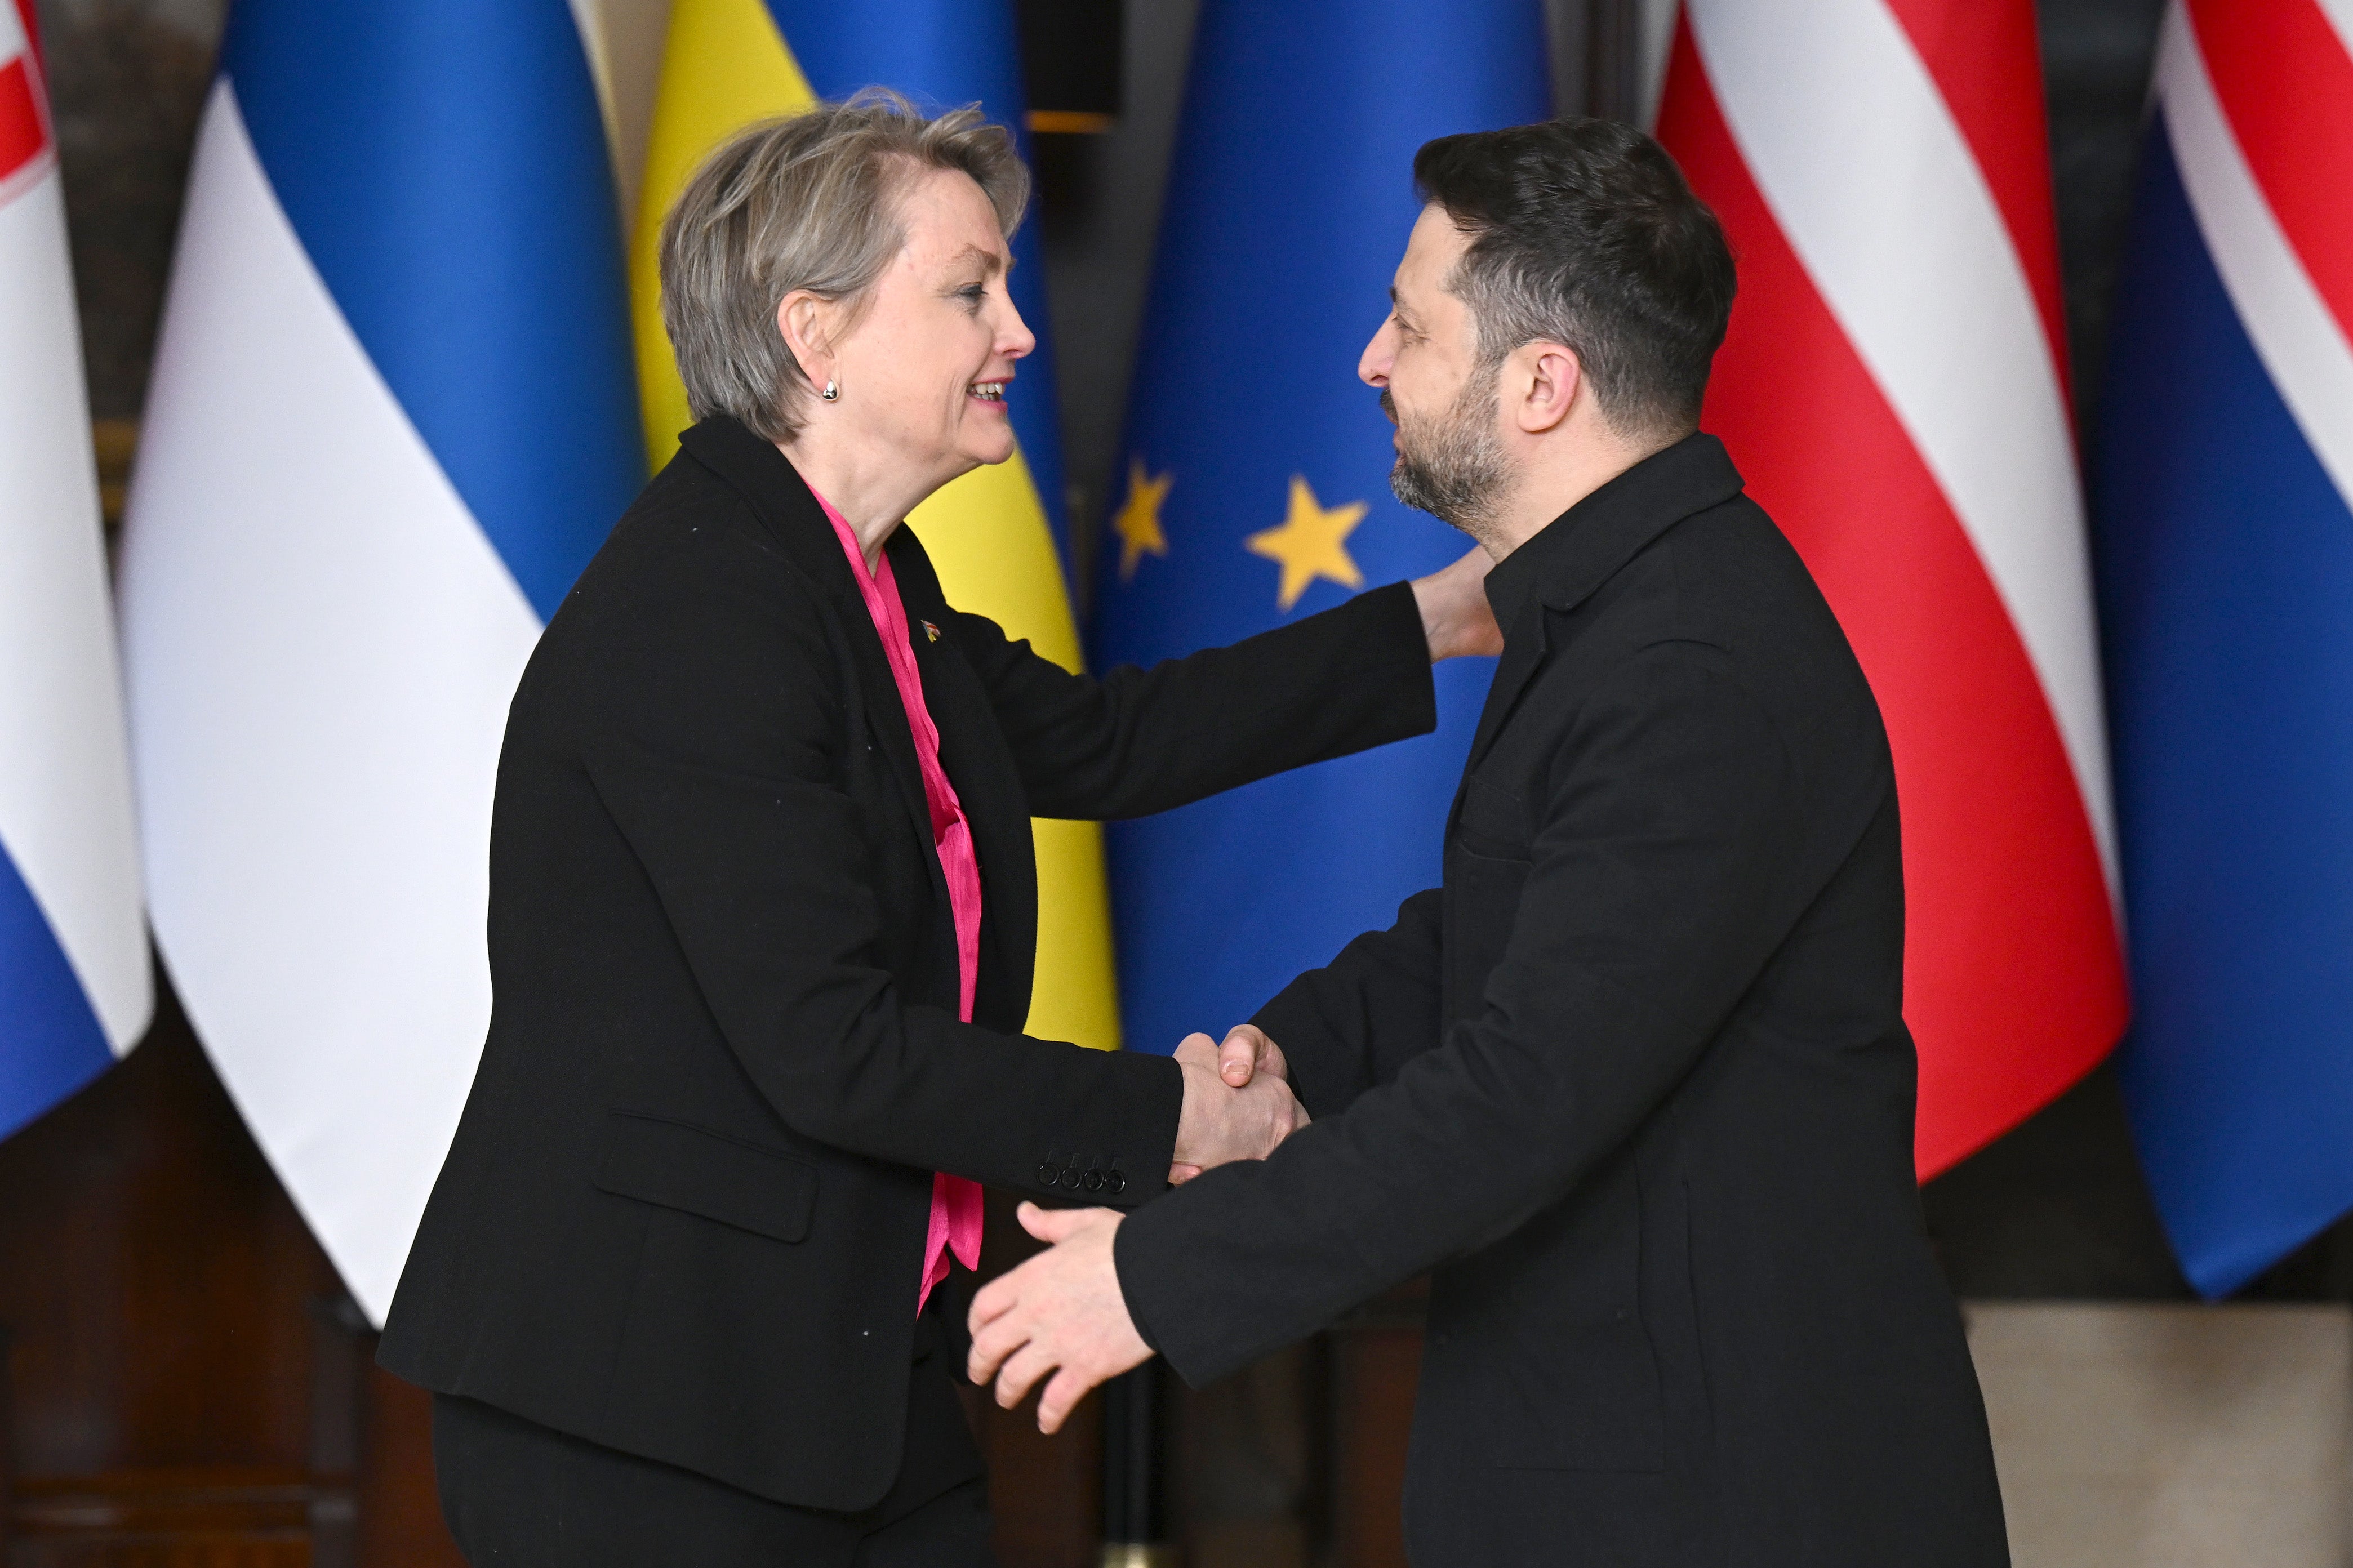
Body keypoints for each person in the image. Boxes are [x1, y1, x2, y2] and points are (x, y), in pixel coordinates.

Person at [376, 93, 1497, 1566]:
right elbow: (832, 1049)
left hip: (837, 1377)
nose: (1019, 330)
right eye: (971, 290)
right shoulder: (705, 610)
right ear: (814, 334)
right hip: (645, 1407)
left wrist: (1447, 615)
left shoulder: (855, 578)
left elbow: (1108, 740)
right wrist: (1178, 1121)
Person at [969, 118, 2010, 1567]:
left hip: (1720, 1492)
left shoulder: (1688, 660)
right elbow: (1492, 928)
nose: (1370, 361)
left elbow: (1528, 1089)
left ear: (1539, 384)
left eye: (1409, 325)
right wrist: (1284, 1066)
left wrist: (1159, 1277)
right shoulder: (1628, 599)